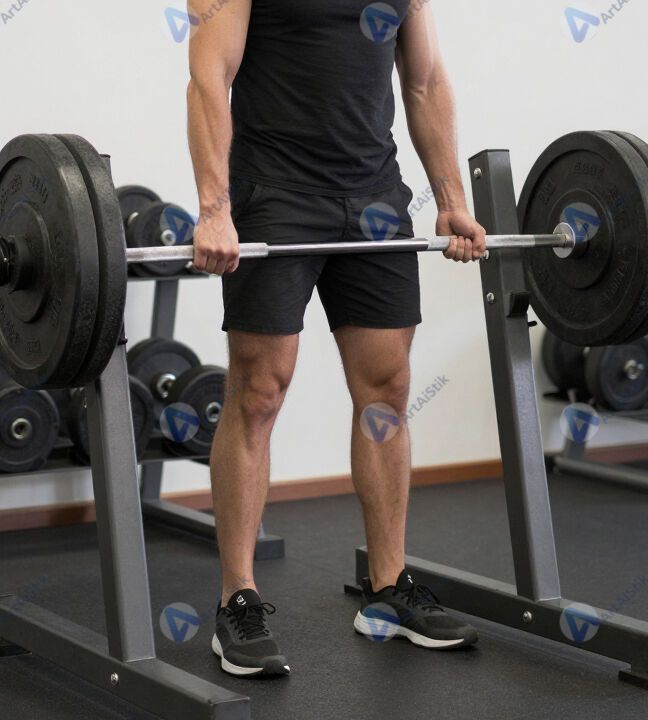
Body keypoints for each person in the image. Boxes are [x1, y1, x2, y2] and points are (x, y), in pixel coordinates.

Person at [185, 0, 489, 677]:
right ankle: (238, 598)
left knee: (387, 389)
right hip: (275, 195)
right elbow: (210, 76)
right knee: (259, 391)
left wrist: (450, 200)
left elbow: (424, 80)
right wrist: (214, 207)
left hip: (375, 196)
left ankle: (388, 589)